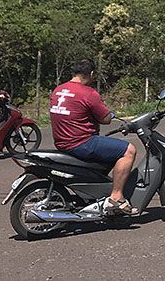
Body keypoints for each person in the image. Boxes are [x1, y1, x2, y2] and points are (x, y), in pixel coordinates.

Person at [49, 60, 138, 215]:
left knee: (108, 151)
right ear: (90, 74)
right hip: (82, 143)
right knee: (128, 151)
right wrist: (109, 114)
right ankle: (116, 198)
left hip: (62, 142)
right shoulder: (88, 93)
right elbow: (105, 119)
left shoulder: (58, 90)